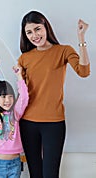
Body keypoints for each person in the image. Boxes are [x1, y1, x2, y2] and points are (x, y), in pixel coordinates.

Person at [18, 10, 90, 178]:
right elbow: (21, 93)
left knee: (50, 174)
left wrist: (81, 38)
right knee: (35, 174)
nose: (34, 35)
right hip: (28, 123)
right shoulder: (24, 58)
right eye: (29, 32)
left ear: (46, 28)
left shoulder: (63, 51)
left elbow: (84, 71)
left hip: (54, 123)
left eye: (37, 29)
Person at [0, 59, 29, 178]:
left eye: (10, 96)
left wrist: (19, 77)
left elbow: (24, 98)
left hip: (15, 163)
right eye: (3, 97)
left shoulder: (16, 113)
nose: (7, 100)